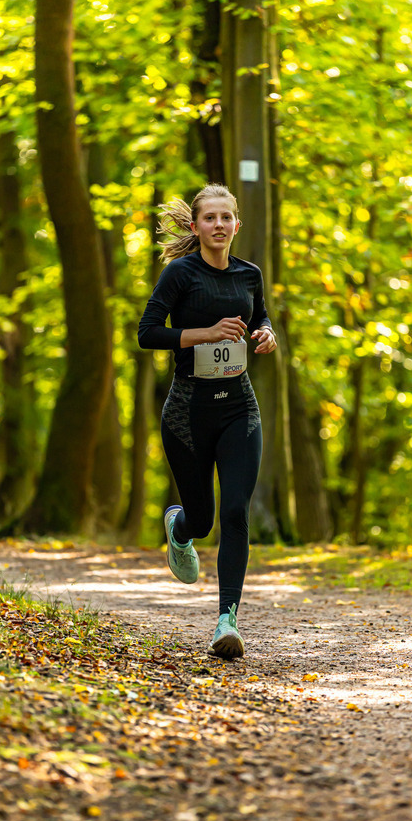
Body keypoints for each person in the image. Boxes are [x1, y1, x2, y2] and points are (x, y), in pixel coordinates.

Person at [138, 183, 277, 660]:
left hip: (239, 408)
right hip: (188, 415)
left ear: (237, 225)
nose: (219, 225)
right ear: (195, 226)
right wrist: (207, 334)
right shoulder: (180, 274)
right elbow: (148, 333)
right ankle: (180, 526)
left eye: (226, 218)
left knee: (236, 511)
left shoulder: (250, 274)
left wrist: (265, 334)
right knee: (204, 521)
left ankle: (227, 621)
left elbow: (261, 317)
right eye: (210, 218)